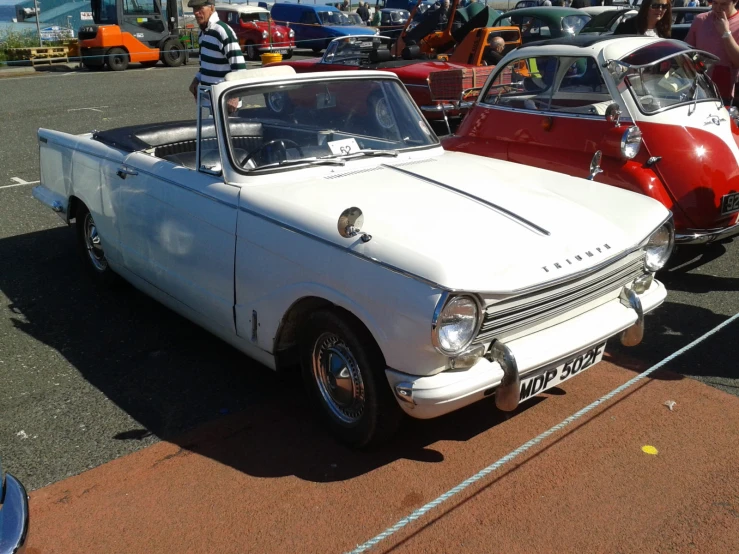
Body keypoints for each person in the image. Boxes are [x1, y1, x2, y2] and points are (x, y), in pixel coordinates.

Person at [187, 0, 246, 112]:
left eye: (200, 8)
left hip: (226, 103)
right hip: (210, 101)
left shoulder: (222, 31)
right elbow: (205, 65)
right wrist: (196, 80)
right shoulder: (202, 33)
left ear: (212, 8)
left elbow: (240, 68)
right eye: (194, 9)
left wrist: (234, 96)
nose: (196, 13)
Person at [685, 0, 739, 104]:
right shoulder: (701, 20)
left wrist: (725, 33)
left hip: (724, 91)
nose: (718, 8)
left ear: (735, 2)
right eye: (715, 3)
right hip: (696, 86)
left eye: (723, 4)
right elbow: (687, 51)